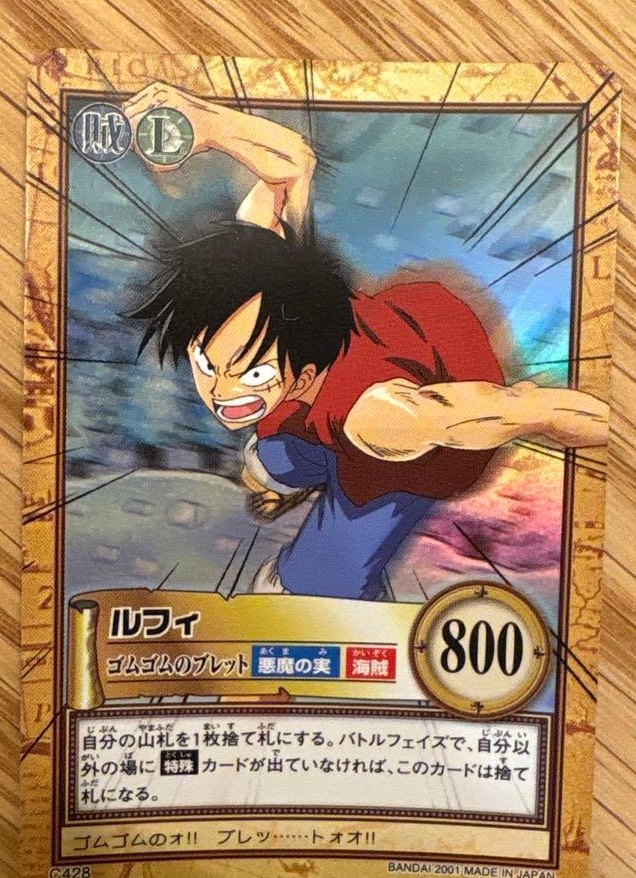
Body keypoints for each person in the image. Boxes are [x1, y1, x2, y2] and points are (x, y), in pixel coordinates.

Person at [124, 82, 608, 600]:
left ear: (302, 371)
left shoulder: (382, 421)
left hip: (404, 464)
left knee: (316, 585)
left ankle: (318, 577)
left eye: (252, 370)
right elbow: (290, 163)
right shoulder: (270, 276)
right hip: (343, 375)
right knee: (273, 454)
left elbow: (510, 412)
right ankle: (283, 472)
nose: (220, 391)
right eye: (205, 362)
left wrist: (562, 416)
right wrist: (205, 122)